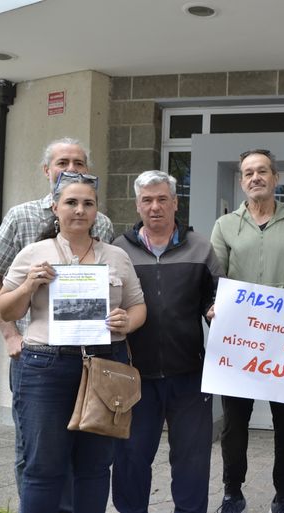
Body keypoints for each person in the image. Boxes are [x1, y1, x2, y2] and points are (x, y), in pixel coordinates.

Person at [0, 171, 145, 513]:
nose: (79, 210)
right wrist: (28, 285)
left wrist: (128, 320)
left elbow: (138, 306)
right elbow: (6, 307)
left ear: (97, 212)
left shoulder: (116, 255)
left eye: (88, 204)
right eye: (71, 203)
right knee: (43, 468)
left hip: (106, 365)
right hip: (45, 368)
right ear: (55, 207)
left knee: (95, 467)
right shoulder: (34, 253)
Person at [0, 137, 114, 512]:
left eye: (79, 162)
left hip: (87, 356)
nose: (72, 169)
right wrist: (9, 334)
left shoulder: (99, 220)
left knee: (84, 455)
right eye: (63, 162)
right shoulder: (21, 216)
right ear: (47, 171)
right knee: (37, 454)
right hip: (37, 354)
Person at [210, 149, 284, 513]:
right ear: (241, 181)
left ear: (275, 178)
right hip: (239, 339)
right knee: (234, 423)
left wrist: (276, 306)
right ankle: (232, 491)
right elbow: (216, 277)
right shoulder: (225, 225)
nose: (255, 178)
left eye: (262, 171)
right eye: (248, 173)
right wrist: (217, 305)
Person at [111, 170, 223, 513]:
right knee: (130, 459)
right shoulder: (118, 250)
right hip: (133, 376)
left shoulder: (202, 247)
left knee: (192, 463)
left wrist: (215, 310)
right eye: (147, 200)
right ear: (138, 205)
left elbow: (214, 298)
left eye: (162, 199)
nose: (155, 206)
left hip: (189, 374)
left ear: (175, 203)